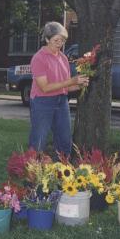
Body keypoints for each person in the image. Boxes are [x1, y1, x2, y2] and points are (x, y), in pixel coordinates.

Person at [29, 21, 89, 156]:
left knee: (65, 141)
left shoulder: (63, 58)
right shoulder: (39, 58)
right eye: (56, 40)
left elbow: (65, 87)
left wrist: (79, 84)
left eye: (62, 40)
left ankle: (62, 172)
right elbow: (44, 87)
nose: (59, 43)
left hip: (62, 102)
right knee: (38, 141)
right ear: (46, 39)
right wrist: (71, 81)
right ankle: (31, 172)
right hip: (42, 102)